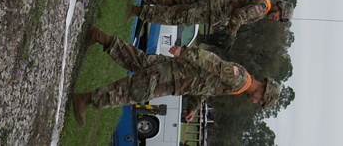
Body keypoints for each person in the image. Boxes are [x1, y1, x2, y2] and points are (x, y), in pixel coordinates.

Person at [69, 27, 282, 125]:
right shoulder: (240, 80)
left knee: (139, 61)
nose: (256, 102)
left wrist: (193, 107)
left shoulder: (240, 84)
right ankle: (85, 100)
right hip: (174, 77)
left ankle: (99, 36)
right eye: (260, 101)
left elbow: (207, 84)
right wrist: (186, 52)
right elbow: (213, 62)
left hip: (178, 74)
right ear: (262, 91)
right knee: (134, 91)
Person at [127, 0, 294, 40]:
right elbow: (239, 15)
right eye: (279, 15)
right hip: (211, 10)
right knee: (174, 15)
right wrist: (231, 34)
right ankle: (135, 10)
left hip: (213, 0)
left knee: (176, 1)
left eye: (279, 19)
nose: (276, 18)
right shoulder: (263, 8)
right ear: (278, 7)